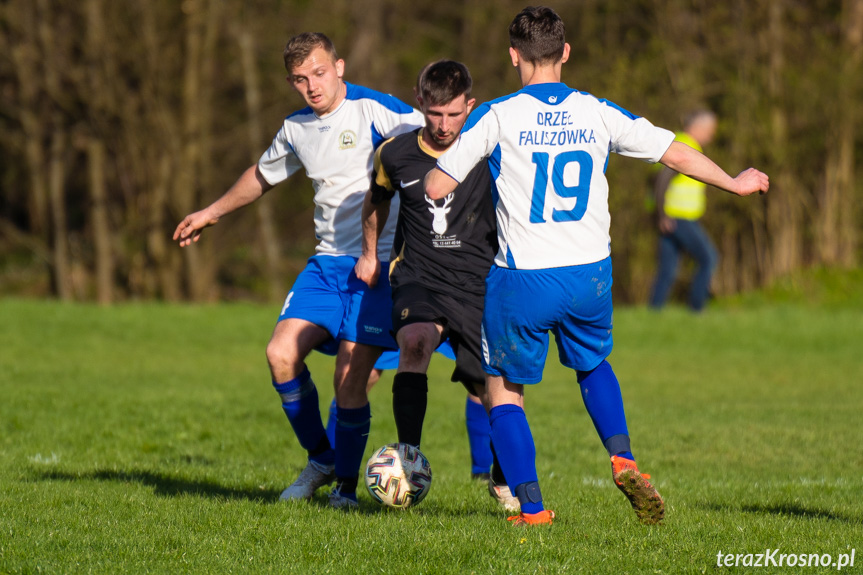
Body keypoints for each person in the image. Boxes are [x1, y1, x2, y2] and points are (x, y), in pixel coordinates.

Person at [425, 6, 769, 526]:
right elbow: (674, 152)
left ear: (513, 55)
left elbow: (437, 186)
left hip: (524, 277)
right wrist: (735, 182)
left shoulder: (496, 115)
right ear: (565, 52)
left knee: (502, 389)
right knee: (591, 363)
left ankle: (533, 510)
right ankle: (623, 456)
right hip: (590, 273)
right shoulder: (597, 111)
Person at [173, 32, 424, 509]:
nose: (311, 86)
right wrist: (211, 212)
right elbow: (261, 176)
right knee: (280, 353)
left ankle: (346, 492)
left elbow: (437, 139)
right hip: (326, 265)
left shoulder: (380, 112)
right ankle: (321, 459)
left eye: (319, 73)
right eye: (299, 79)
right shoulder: (297, 128)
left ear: (340, 67)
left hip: (377, 266)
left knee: (351, 378)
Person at [355, 60, 518, 511]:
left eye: (454, 114)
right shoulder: (394, 153)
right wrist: (370, 254)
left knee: (493, 388)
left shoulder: (492, 150)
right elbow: (376, 202)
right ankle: (407, 461)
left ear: (471, 105)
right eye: (434, 114)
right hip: (418, 277)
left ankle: (504, 477)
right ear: (419, 101)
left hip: (479, 282)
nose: (444, 125)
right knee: (414, 342)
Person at [649, 109, 720, 311]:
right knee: (709, 258)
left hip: (669, 216)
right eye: (710, 130)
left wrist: (659, 214)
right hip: (677, 217)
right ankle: (696, 309)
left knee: (668, 269)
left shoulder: (672, 141)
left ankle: (654, 312)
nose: (711, 136)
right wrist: (663, 215)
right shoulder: (686, 147)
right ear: (698, 127)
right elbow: (663, 179)